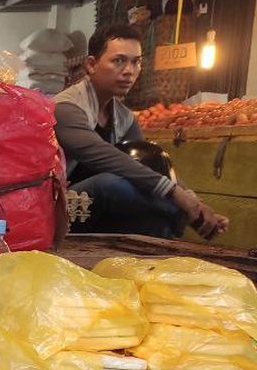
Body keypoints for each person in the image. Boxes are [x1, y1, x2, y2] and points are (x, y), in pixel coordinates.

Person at [55, 23, 228, 239]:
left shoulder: (123, 116)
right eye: (118, 61)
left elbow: (151, 164)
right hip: (62, 205)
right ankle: (184, 219)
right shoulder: (66, 108)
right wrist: (179, 200)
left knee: (154, 219)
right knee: (111, 184)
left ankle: (164, 253)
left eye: (135, 62)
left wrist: (195, 203)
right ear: (91, 64)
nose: (129, 71)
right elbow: (106, 158)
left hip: (98, 210)